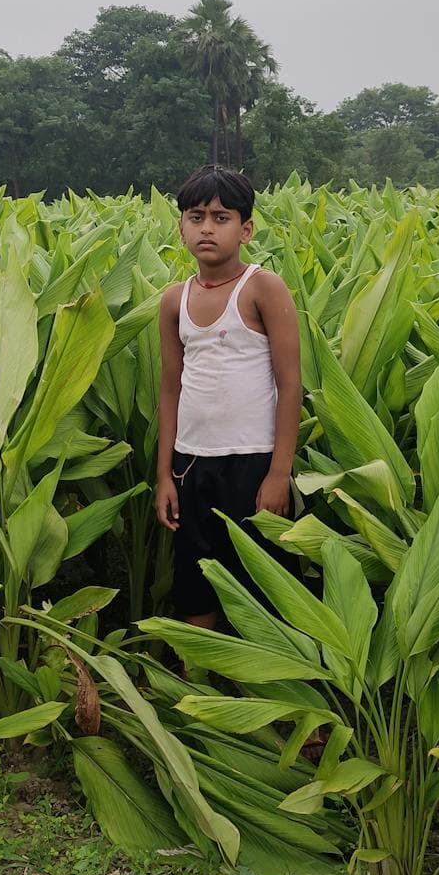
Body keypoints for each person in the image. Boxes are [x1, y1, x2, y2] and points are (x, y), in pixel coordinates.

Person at [154, 165, 302, 629]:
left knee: (261, 583)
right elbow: (170, 388)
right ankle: (202, 685)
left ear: (246, 229)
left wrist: (279, 473)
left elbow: (290, 384)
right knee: (196, 580)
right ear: (180, 227)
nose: (207, 228)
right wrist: (164, 476)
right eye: (196, 217)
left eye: (221, 217)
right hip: (191, 463)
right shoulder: (173, 300)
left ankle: (264, 686)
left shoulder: (262, 287)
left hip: (252, 463)